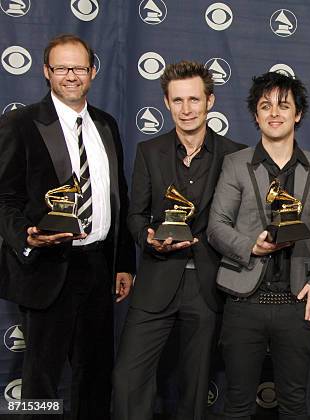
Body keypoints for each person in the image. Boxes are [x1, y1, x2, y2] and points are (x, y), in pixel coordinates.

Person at [0, 34, 135, 419]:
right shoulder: (20, 123)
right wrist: (25, 236)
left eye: (78, 67)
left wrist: (124, 262)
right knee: (41, 379)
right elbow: (4, 199)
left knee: (94, 377)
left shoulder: (106, 125)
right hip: (47, 266)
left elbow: (117, 197)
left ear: (92, 71)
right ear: (46, 72)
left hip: (97, 268)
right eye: (62, 68)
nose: (71, 76)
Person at [207, 72, 310, 420]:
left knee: (295, 406)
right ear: (255, 114)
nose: (275, 113)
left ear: (298, 113)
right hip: (243, 300)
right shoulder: (236, 164)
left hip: (297, 303)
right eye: (265, 106)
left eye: (284, 105)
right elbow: (216, 227)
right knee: (237, 405)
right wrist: (249, 246)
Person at [112, 61, 245, 420]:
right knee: (128, 378)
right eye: (178, 101)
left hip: (208, 284)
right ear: (167, 104)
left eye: (194, 100)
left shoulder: (237, 155)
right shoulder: (149, 151)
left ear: (210, 101)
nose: (186, 110)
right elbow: (135, 215)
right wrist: (148, 238)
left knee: (196, 385)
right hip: (156, 279)